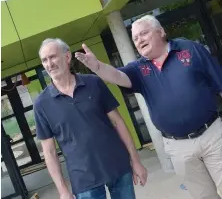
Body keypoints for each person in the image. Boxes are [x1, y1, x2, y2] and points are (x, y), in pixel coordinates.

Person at [75, 15, 222, 199]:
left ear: (161, 32)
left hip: (213, 135)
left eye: (143, 33)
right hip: (178, 147)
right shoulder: (139, 69)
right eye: (135, 38)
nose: (139, 40)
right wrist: (97, 66)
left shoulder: (191, 50)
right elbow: (118, 76)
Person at [33, 38, 147, 199]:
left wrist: (136, 161)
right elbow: (49, 152)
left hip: (117, 166)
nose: (49, 64)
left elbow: (118, 122)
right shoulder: (41, 104)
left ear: (67, 57)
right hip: (83, 179)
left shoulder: (93, 83)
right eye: (44, 60)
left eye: (53, 57)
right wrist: (63, 191)